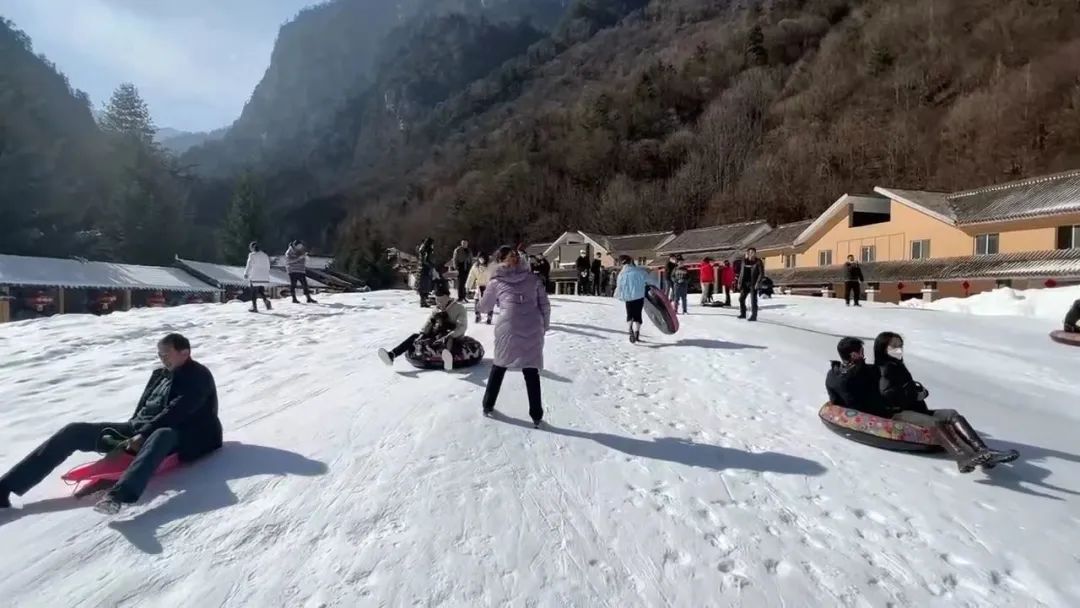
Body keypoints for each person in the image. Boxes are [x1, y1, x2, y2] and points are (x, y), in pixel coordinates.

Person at [0, 333, 222, 514]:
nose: (163, 359)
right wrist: (131, 431)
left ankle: (120, 496)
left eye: (167, 354)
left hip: (187, 435)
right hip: (139, 429)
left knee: (161, 434)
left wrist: (142, 435)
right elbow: (145, 410)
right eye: (159, 354)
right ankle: (5, 487)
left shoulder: (198, 375)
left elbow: (177, 411)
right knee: (74, 431)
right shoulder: (161, 375)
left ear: (185, 352)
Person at [874, 332, 1018, 472]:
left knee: (952, 414)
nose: (899, 349)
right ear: (883, 348)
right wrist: (914, 395)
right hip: (899, 413)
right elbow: (888, 395)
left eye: (900, 345)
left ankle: (983, 451)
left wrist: (919, 392)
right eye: (894, 346)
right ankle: (962, 458)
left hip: (915, 408)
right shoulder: (885, 368)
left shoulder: (896, 365)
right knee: (935, 423)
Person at [476, 246, 551, 427]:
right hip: (533, 326)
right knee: (530, 370)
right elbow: (545, 305)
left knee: (500, 366)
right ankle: (536, 415)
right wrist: (544, 326)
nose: (514, 258)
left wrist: (479, 299)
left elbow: (485, 307)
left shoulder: (496, 282)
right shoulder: (533, 279)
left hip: (508, 327)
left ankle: (488, 405)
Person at [379, 282, 469, 371]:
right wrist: (423, 333)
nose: (439, 303)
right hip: (437, 333)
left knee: (448, 340)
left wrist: (450, 335)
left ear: (448, 297)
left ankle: (447, 359)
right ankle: (392, 355)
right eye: (437, 300)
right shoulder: (437, 309)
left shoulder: (459, 308)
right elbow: (429, 323)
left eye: (441, 300)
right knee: (415, 337)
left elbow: (462, 326)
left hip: (452, 335)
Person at [825, 337, 890, 415]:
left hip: (847, 414)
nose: (863, 354)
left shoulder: (831, 374)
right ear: (854, 355)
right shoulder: (865, 373)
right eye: (861, 351)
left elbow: (834, 401)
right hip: (872, 414)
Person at [615, 255, 661, 344]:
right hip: (639, 296)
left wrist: (619, 295)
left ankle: (630, 327)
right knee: (638, 315)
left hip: (628, 297)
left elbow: (618, 287)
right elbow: (651, 281)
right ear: (631, 261)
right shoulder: (640, 271)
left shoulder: (621, 274)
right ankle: (637, 332)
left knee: (629, 313)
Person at [735, 247, 764, 321]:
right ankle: (743, 314)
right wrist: (739, 282)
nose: (751, 254)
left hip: (753, 284)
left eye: (752, 252)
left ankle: (754, 316)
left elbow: (761, 273)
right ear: (747, 253)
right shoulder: (744, 261)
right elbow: (741, 273)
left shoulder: (758, 262)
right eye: (750, 252)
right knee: (741, 299)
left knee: (753, 301)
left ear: (755, 253)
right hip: (745, 283)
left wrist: (758, 283)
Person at [243, 241, 273, 312]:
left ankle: (254, 307)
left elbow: (249, 265)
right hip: (264, 277)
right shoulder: (265, 255)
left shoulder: (252, 255)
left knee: (253, 291)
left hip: (255, 276)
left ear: (252, 248)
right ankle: (266, 302)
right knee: (260, 290)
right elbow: (268, 266)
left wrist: (246, 273)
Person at [285, 240, 317, 304]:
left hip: (301, 270)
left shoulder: (301, 251)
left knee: (305, 284)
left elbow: (303, 259)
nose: (300, 247)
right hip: (292, 270)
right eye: (298, 246)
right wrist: (299, 258)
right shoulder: (289, 252)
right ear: (295, 245)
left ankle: (308, 298)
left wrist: (305, 257)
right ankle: (294, 298)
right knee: (293, 284)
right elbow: (289, 261)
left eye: (301, 246)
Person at [466, 254, 493, 324]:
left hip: (488, 286)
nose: (481, 260)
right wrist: (468, 286)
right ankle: (478, 315)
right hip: (479, 285)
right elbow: (471, 276)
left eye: (483, 258)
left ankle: (489, 316)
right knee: (477, 300)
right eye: (480, 258)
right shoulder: (475, 267)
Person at [416, 237, 436, 308]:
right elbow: (426, 260)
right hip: (425, 269)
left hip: (421, 269)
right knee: (425, 285)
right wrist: (432, 265)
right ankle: (423, 301)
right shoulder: (428, 250)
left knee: (422, 286)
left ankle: (423, 301)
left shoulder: (422, 249)